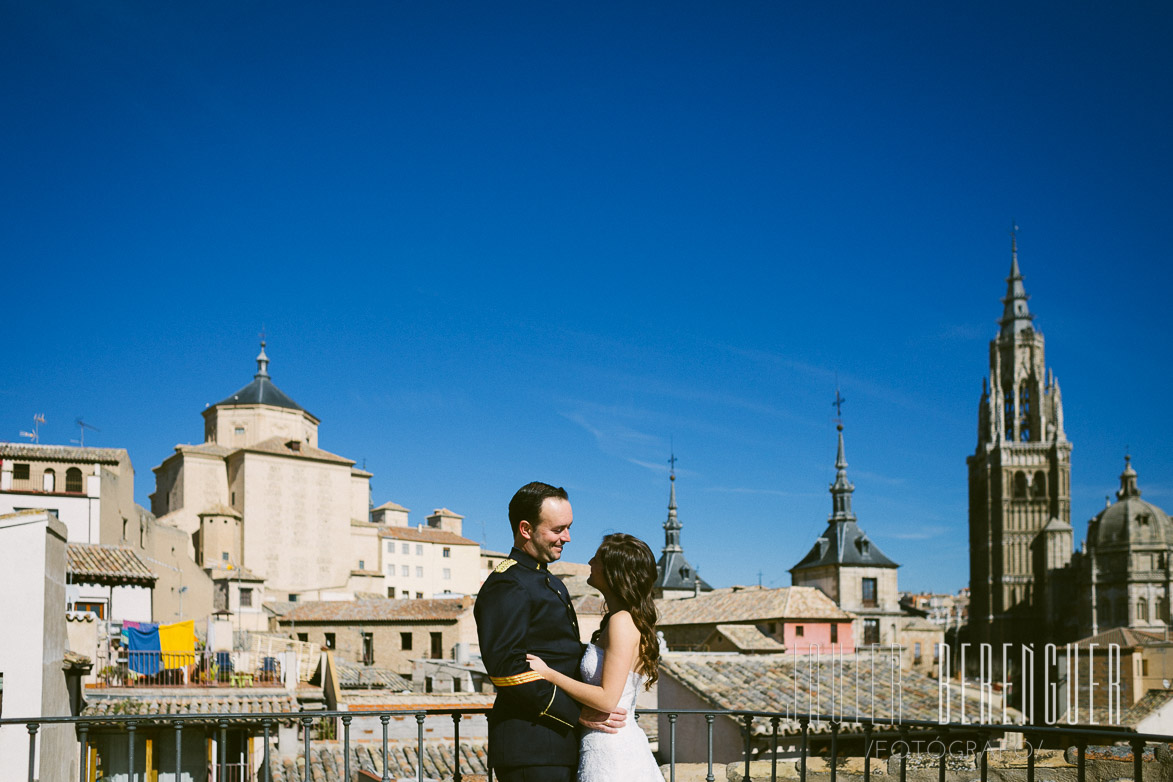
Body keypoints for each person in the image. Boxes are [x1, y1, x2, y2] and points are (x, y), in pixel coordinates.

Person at [475, 482, 627, 782]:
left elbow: (559, 650)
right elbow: (506, 667)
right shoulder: (508, 583)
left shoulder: (547, 581)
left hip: (557, 745)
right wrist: (575, 713)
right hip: (531, 746)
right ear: (526, 529)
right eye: (558, 529)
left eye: (568, 528)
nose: (567, 538)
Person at [526, 532, 665, 782]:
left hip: (612, 752)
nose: (590, 562)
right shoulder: (622, 619)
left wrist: (549, 673)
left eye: (597, 558)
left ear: (614, 571)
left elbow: (607, 698)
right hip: (609, 742)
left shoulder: (621, 622)